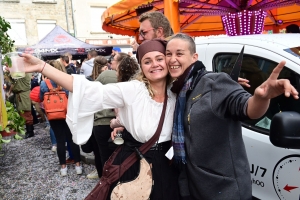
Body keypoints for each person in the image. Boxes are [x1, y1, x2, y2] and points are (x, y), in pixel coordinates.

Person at [21, 39, 181, 199]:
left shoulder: (177, 91)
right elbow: (86, 89)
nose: (154, 64)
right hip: (138, 165)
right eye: (147, 61)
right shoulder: (133, 90)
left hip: (169, 167)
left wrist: (121, 123)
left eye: (159, 59)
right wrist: (42, 67)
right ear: (141, 66)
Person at [165, 33, 299, 200]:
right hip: (192, 186)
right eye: (168, 54)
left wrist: (261, 98)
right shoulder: (179, 89)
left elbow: (246, 107)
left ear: (194, 57)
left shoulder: (215, 82)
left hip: (223, 190)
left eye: (179, 53)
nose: (172, 59)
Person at [39, 60, 82, 177]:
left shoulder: (44, 83)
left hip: (53, 115)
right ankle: (78, 165)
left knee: (60, 140)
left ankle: (63, 168)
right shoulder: (66, 80)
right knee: (72, 139)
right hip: (68, 113)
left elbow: (40, 98)